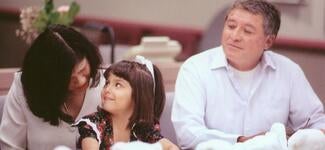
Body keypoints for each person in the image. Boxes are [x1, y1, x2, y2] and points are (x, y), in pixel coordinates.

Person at [171, 0, 325, 149]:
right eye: (231, 26)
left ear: (268, 41)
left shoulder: (288, 72)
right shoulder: (195, 68)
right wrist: (244, 142)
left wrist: (306, 139)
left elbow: (318, 124)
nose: (235, 36)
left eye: (247, 31)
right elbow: (187, 134)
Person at [0, 24, 105, 149]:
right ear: (50, 82)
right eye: (70, 79)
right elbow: (10, 146)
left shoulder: (107, 84)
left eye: (83, 71)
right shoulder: (25, 87)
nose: (81, 81)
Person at [74, 56, 179, 150]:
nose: (107, 89)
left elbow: (170, 147)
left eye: (118, 85)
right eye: (107, 83)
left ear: (138, 96)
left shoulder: (144, 128)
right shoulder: (92, 124)